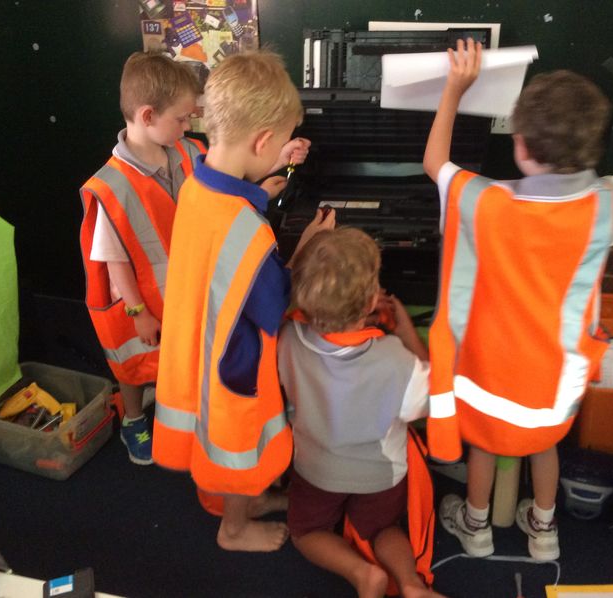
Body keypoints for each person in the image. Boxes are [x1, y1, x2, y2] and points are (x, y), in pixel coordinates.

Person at [422, 39, 613, 561]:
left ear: (519, 145)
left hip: (489, 375)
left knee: (486, 443)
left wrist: (454, 90)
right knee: (544, 441)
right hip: (554, 383)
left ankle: (476, 526)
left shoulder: (484, 203)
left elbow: (435, 162)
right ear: (592, 147)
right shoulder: (604, 205)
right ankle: (544, 528)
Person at [80, 51, 308, 466]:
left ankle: (174, 420)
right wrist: (137, 311)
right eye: (183, 118)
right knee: (134, 366)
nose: (189, 126)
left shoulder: (185, 153)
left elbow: (225, 183)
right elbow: (113, 259)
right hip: (143, 305)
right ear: (148, 116)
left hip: (183, 292)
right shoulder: (112, 184)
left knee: (176, 366)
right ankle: (133, 418)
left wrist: (274, 163)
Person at [151, 50, 335, 552]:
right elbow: (275, 305)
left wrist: (265, 183)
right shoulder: (248, 231)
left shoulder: (197, 185)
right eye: (279, 143)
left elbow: (224, 226)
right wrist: (308, 248)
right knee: (239, 449)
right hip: (234, 367)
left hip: (199, 349)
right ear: (260, 141)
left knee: (225, 443)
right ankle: (233, 528)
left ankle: (247, 504)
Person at [278, 227, 444, 598]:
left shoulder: (287, 339)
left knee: (307, 531)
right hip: (381, 475)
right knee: (383, 529)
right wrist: (406, 334)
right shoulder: (396, 359)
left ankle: (361, 573)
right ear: (371, 301)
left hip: (317, 469)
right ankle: (410, 583)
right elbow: (430, 401)